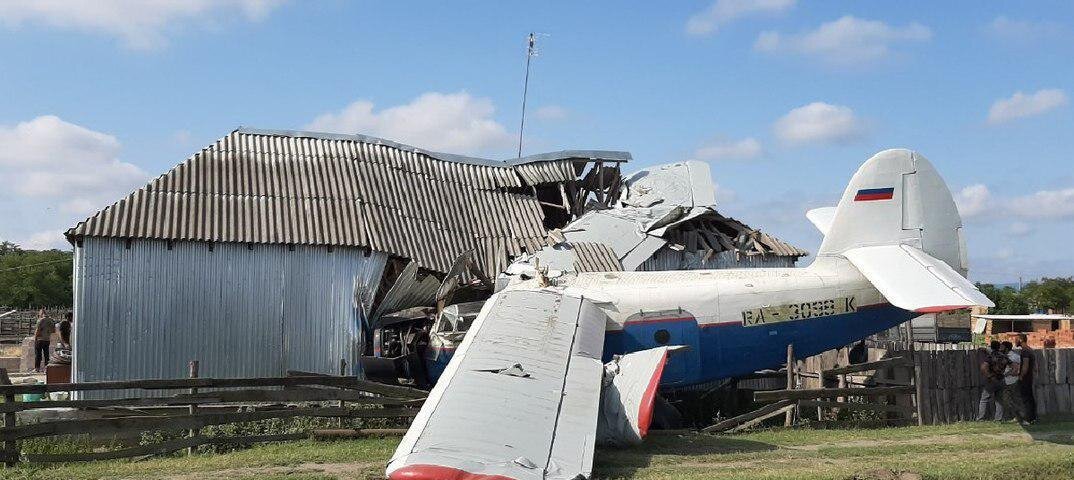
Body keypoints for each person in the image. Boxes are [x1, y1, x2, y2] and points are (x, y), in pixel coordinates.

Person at [998, 341, 1029, 425]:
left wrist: (1004, 374)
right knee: (1009, 401)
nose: (1000, 349)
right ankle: (1017, 417)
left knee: (1015, 401)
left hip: (1013, 382)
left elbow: (1015, 371)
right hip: (1007, 382)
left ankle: (1023, 419)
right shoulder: (1006, 356)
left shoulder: (1014, 357)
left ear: (1006, 348)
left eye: (1002, 347)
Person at [976, 341, 1006, 421]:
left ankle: (981, 418)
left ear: (991, 347)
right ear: (999, 347)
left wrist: (989, 375)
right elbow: (1014, 366)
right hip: (1001, 379)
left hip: (992, 380)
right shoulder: (1003, 356)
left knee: (984, 399)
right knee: (999, 400)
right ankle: (998, 418)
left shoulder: (990, 357)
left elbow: (983, 367)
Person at [1015, 334, 1037, 423]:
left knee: (1025, 399)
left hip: (1025, 378)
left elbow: (1025, 366)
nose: (1015, 341)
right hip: (1030, 377)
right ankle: (1032, 418)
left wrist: (1021, 376)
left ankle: (1027, 419)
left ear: (1020, 340)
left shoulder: (1025, 351)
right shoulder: (1029, 350)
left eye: (1016, 339)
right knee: (1030, 398)